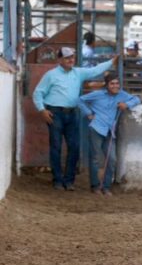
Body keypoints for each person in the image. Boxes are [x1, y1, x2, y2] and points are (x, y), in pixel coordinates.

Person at [32, 47, 118, 190]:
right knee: (56, 147)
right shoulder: (51, 75)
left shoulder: (78, 73)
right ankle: (58, 180)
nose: (71, 60)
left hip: (72, 113)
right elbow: (38, 93)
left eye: (72, 57)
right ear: (59, 60)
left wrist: (111, 62)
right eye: (67, 58)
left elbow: (95, 71)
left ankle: (69, 180)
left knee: (74, 147)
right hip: (55, 113)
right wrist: (42, 110)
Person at [77, 71, 141, 195]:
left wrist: (126, 104)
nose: (115, 86)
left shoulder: (122, 95)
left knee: (111, 159)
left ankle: (106, 186)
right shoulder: (97, 94)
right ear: (107, 85)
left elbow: (137, 99)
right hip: (96, 128)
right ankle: (95, 186)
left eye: (117, 83)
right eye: (112, 84)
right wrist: (89, 114)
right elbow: (80, 100)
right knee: (96, 158)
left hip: (110, 131)